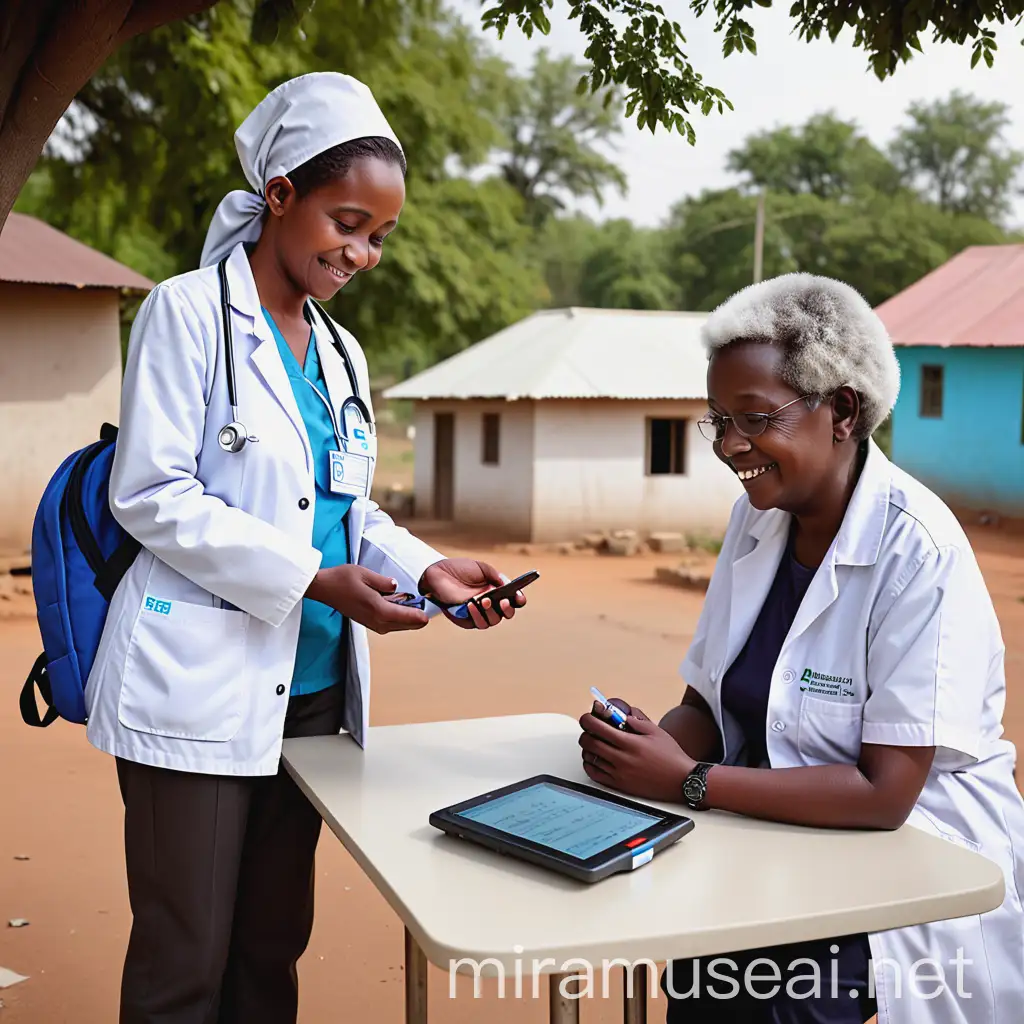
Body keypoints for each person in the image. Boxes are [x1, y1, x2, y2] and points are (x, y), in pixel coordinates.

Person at [83, 72, 525, 1024]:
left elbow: (345, 507)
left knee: (270, 953)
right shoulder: (186, 313)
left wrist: (425, 570)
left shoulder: (342, 352)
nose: (361, 252)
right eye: (346, 223)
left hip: (315, 687)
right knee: (185, 962)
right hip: (200, 682)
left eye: (378, 237)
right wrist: (315, 579)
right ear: (279, 195)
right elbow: (151, 495)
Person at [577, 272, 1024, 1024]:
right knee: (695, 976)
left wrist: (687, 781)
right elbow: (708, 705)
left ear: (842, 410)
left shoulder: (917, 550)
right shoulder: (758, 519)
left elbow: (886, 794)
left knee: (783, 1000)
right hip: (776, 843)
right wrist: (644, 746)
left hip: (908, 857)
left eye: (753, 418)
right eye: (716, 420)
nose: (728, 445)